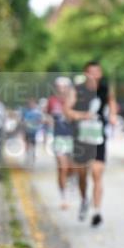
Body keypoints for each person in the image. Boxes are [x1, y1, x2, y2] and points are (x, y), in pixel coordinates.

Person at [65, 61, 116, 227]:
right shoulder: (76, 90)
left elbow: (112, 103)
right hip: (81, 136)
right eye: (90, 72)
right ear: (85, 73)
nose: (94, 75)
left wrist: (113, 116)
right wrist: (81, 116)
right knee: (82, 174)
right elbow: (67, 110)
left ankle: (97, 211)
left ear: (100, 74)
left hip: (98, 136)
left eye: (97, 72)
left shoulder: (105, 89)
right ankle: (84, 200)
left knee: (96, 172)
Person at [45, 77, 74, 209]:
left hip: (74, 137)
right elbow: (46, 115)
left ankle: (71, 182)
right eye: (59, 86)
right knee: (62, 168)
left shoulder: (75, 100)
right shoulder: (52, 101)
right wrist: (48, 121)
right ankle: (64, 197)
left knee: (71, 169)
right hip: (59, 137)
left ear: (69, 88)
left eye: (64, 86)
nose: (62, 89)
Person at [20, 98, 44, 167]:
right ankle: (27, 156)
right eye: (30, 103)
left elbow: (41, 120)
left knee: (33, 144)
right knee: (27, 143)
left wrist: (38, 124)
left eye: (32, 103)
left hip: (34, 131)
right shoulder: (25, 111)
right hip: (27, 130)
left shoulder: (37, 112)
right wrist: (23, 127)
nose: (31, 105)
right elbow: (22, 121)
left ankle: (33, 155)